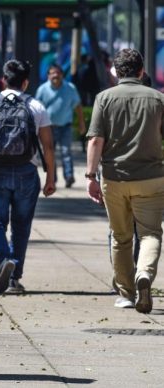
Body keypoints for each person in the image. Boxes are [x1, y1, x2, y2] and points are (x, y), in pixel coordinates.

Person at [85, 48, 164, 313]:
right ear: (142, 71)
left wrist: (90, 176)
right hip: (151, 178)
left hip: (114, 178)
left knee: (120, 237)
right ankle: (144, 273)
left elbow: (96, 139)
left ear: (116, 72)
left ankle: (127, 293)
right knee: (151, 233)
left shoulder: (104, 98)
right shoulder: (157, 99)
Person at [0, 59, 56, 294]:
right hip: (27, 172)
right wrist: (51, 178)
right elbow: (48, 146)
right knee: (21, 226)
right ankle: (13, 278)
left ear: (4, 80)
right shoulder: (36, 106)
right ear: (25, 82)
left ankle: (3, 260)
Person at [36, 64, 86, 188]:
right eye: (52, 73)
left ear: (62, 75)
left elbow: (77, 106)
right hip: (48, 127)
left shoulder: (70, 88)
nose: (55, 75)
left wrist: (81, 123)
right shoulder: (42, 89)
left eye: (58, 73)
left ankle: (69, 177)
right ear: (48, 76)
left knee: (66, 152)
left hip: (65, 126)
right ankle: (52, 177)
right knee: (49, 152)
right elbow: (37, 109)